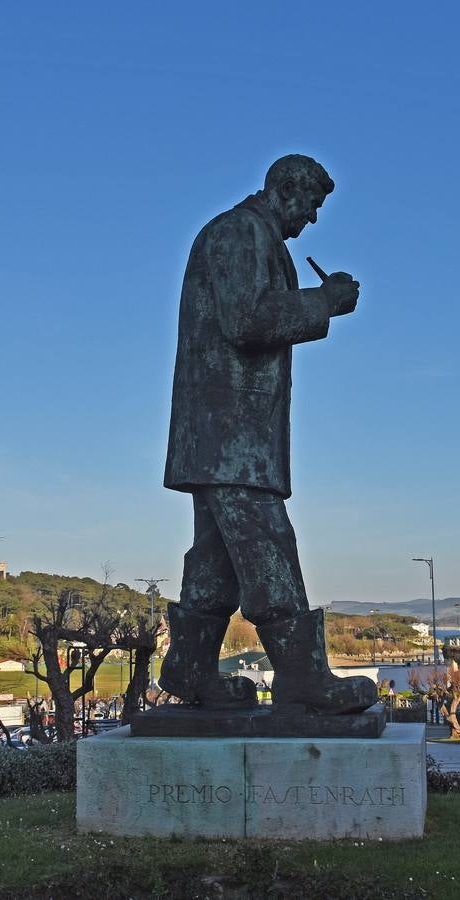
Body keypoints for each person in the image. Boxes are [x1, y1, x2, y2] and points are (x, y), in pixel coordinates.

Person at [161, 154, 376, 716]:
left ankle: (189, 669)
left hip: (225, 434)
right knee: (267, 547)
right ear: (285, 189)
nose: (310, 219)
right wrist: (324, 301)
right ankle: (303, 677)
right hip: (229, 433)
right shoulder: (239, 232)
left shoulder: (253, 237)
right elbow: (246, 321)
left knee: (217, 559)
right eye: (311, 204)